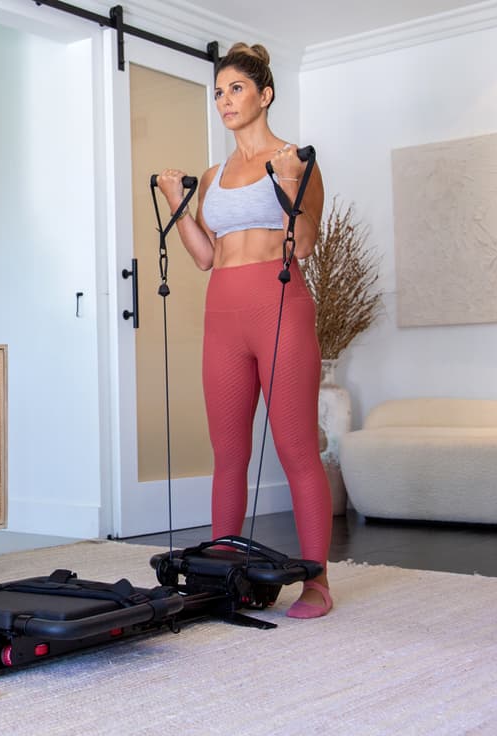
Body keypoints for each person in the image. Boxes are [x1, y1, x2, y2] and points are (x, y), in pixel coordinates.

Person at [155, 42, 333, 619]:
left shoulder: (296, 159)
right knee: (228, 451)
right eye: (219, 92)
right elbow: (205, 257)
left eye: (236, 89)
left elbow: (304, 243)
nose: (225, 101)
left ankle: (317, 583)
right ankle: (218, 577)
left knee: (296, 448)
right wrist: (179, 204)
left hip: (279, 305)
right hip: (222, 312)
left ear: (265, 95)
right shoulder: (211, 176)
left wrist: (286, 185)